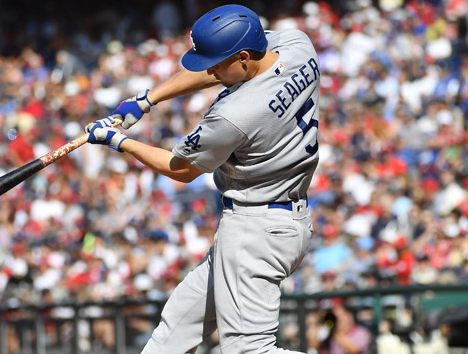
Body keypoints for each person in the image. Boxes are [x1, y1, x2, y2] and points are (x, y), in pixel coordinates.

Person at [85, 4, 320, 353]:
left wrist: (120, 142)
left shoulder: (234, 114)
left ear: (242, 57)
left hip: (255, 228)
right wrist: (147, 100)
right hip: (279, 219)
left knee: (248, 350)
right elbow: (227, 67)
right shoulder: (297, 46)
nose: (209, 69)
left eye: (216, 61)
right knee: (173, 333)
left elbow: (182, 169)